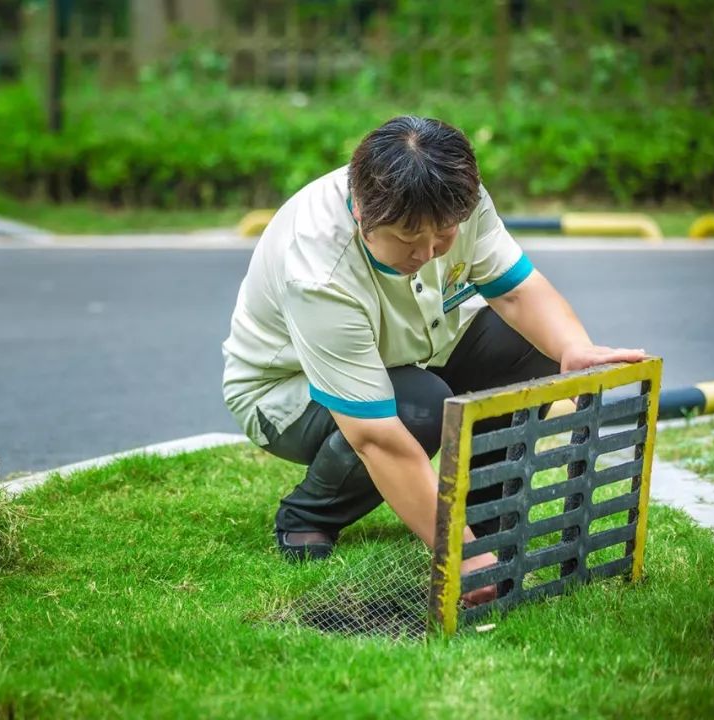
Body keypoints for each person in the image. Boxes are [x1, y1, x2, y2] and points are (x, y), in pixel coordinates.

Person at [220, 116, 645, 605]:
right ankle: (310, 515)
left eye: (444, 235)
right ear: (362, 212)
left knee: (529, 349)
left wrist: (572, 346)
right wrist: (454, 554)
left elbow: (517, 292)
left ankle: (485, 524)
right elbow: (375, 436)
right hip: (285, 395)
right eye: (407, 237)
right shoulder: (317, 269)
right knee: (419, 407)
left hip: (417, 346)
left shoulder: (453, 194)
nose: (427, 252)